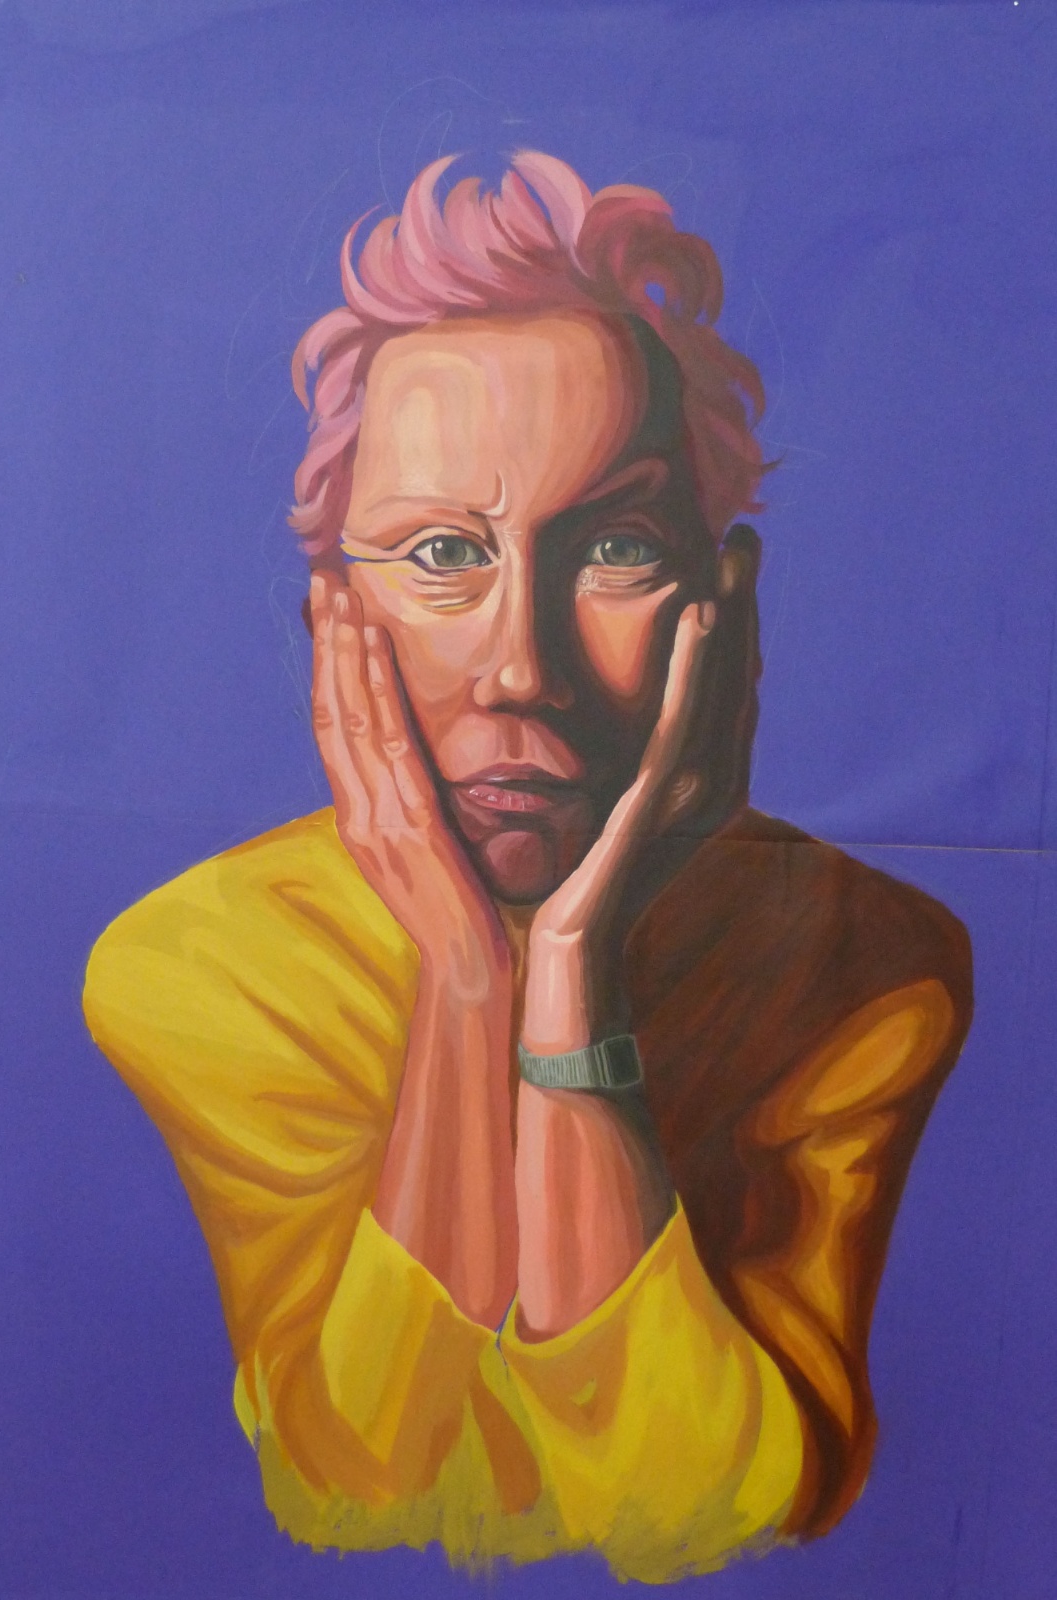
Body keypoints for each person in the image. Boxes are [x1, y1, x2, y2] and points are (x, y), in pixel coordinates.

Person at [82, 151, 973, 1583]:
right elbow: (359, 1492)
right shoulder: (199, 971)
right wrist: (464, 985)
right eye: (442, 552)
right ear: (332, 619)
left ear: (724, 609)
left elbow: (712, 1506)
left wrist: (568, 982)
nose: (520, 668)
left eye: (614, 546)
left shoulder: (866, 968)